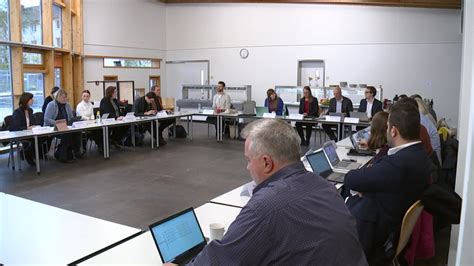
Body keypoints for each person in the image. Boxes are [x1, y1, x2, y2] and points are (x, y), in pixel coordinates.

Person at [164, 119, 367, 265]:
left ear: (266, 163)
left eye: (248, 160)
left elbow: (221, 259)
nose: (247, 168)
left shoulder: (265, 207)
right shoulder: (323, 185)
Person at [344, 101, 431, 264]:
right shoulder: (420, 156)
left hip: (376, 235)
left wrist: (368, 188)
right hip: (392, 228)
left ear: (393, 131)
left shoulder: (398, 163)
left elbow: (350, 179)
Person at [44, 89, 82, 163]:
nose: (64, 99)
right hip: (52, 127)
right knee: (67, 134)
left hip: (66, 126)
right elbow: (46, 119)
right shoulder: (51, 105)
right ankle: (62, 155)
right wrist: (56, 123)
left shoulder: (67, 105)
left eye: (65, 97)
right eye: (62, 97)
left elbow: (70, 117)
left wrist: (73, 120)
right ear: (57, 97)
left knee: (77, 132)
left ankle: (75, 152)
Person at [11, 93, 39, 166]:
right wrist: (27, 128)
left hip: (31, 132)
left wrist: (35, 126)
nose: (33, 100)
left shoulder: (30, 111)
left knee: (44, 137)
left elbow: (33, 122)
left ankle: (31, 154)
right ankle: (27, 155)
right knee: (32, 140)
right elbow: (16, 127)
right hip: (21, 134)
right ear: (26, 100)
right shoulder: (17, 112)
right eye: (31, 99)